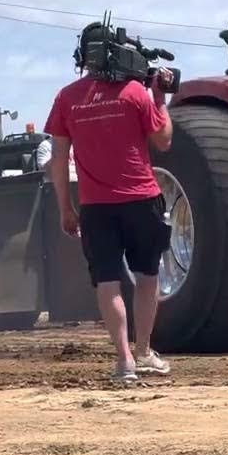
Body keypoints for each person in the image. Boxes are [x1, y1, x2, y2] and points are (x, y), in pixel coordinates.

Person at [44, 23, 177, 384]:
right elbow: (163, 140)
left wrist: (65, 208)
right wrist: (159, 98)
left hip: (96, 206)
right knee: (147, 277)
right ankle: (144, 351)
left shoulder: (67, 98)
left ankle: (124, 362)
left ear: (83, 56)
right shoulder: (135, 92)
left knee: (107, 281)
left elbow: (58, 159)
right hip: (142, 199)